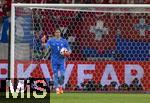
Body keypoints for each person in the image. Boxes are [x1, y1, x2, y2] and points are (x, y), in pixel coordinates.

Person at [42, 29, 71, 95]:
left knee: (62, 75)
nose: (57, 33)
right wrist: (43, 43)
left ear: (60, 33)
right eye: (56, 32)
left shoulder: (64, 41)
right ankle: (57, 89)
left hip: (62, 60)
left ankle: (60, 86)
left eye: (58, 32)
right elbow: (46, 47)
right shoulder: (51, 40)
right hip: (54, 60)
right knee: (55, 75)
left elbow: (69, 50)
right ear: (54, 33)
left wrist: (68, 53)